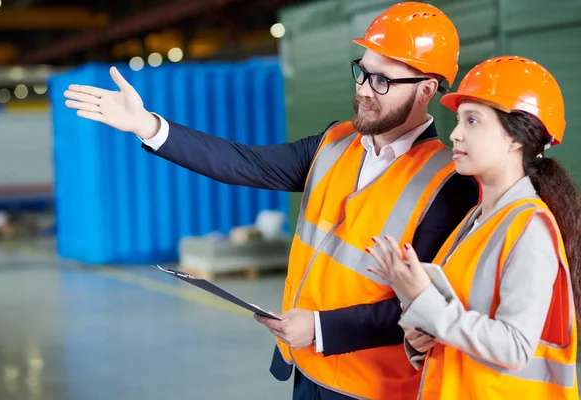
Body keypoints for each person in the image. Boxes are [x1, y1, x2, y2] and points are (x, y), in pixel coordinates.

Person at [63, 2, 479, 398]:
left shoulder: (448, 184)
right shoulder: (334, 143)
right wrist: (148, 125)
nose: (365, 91)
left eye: (383, 81)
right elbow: (246, 163)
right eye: (362, 73)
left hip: (372, 388)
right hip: (306, 371)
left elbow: (427, 308)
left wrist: (320, 329)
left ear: (426, 89)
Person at [367, 55, 581, 399]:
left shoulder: (530, 230)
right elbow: (458, 324)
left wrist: (426, 302)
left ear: (516, 138)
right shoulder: (477, 220)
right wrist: (419, 335)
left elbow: (514, 347)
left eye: (472, 121)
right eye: (457, 120)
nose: (455, 134)